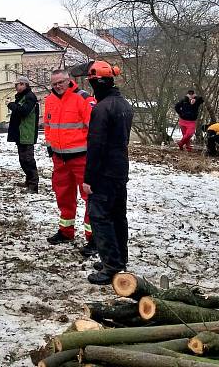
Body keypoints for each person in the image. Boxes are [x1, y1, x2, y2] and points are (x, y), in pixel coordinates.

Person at [82, 60, 134, 285]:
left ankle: (111, 266)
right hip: (119, 168)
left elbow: (96, 145)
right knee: (117, 215)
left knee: (100, 217)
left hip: (104, 172)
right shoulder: (124, 104)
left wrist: (88, 178)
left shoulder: (102, 109)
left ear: (97, 82)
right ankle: (118, 259)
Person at [44, 69, 95, 256]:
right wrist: (50, 146)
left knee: (90, 197)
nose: (58, 86)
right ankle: (66, 231)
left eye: (61, 82)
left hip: (82, 157)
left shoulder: (82, 98)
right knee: (63, 195)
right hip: (60, 158)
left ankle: (94, 238)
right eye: (54, 83)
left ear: (69, 80)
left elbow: (94, 128)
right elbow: (48, 126)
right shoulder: (49, 100)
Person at [7, 75, 39, 193]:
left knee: (28, 159)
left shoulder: (30, 97)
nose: (18, 87)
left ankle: (33, 185)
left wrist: (11, 105)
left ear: (26, 85)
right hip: (21, 132)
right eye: (16, 85)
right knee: (22, 159)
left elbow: (23, 111)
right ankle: (28, 180)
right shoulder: (22, 96)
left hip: (27, 132)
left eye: (20, 84)